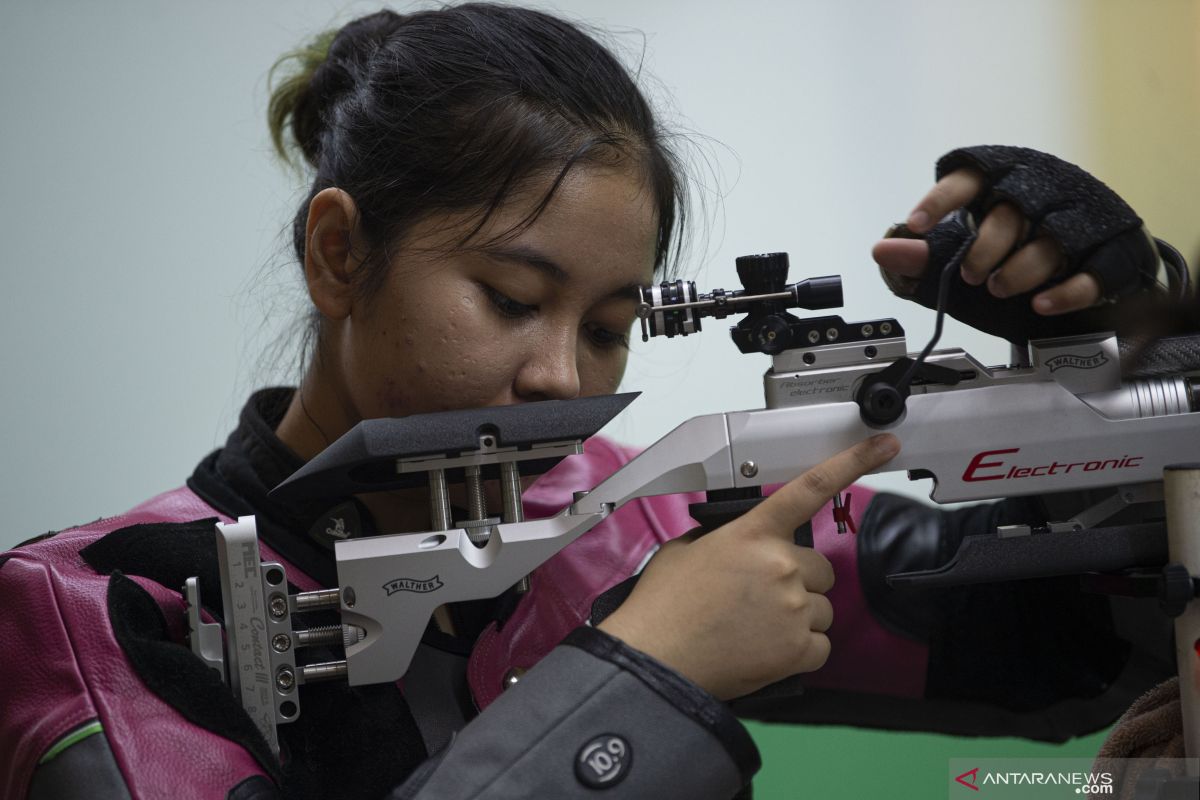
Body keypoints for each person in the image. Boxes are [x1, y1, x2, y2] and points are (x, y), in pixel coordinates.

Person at [0, 6, 1179, 800]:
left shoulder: (637, 518)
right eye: (512, 298)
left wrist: (1127, 341)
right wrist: (640, 669)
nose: (564, 376)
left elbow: (1093, 641)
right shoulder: (94, 607)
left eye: (612, 326)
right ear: (338, 254)